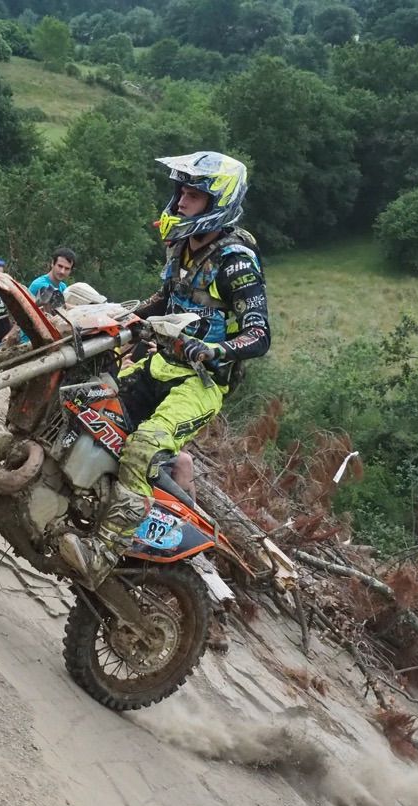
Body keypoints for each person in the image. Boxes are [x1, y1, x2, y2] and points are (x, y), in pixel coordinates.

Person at [60, 152, 270, 594]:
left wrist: (213, 350)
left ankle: (102, 555)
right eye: (181, 192)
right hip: (160, 363)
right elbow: (166, 297)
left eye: (194, 195)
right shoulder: (181, 245)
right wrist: (123, 316)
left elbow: (260, 335)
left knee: (141, 450)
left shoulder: (236, 262)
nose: (181, 201)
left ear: (218, 202)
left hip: (201, 383)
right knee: (87, 405)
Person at [8, 247, 75, 346]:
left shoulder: (63, 286)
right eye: (60, 266)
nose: (62, 271)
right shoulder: (40, 284)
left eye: (67, 268)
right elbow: (61, 306)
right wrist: (85, 308)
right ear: (52, 263)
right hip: (31, 340)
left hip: (50, 336)